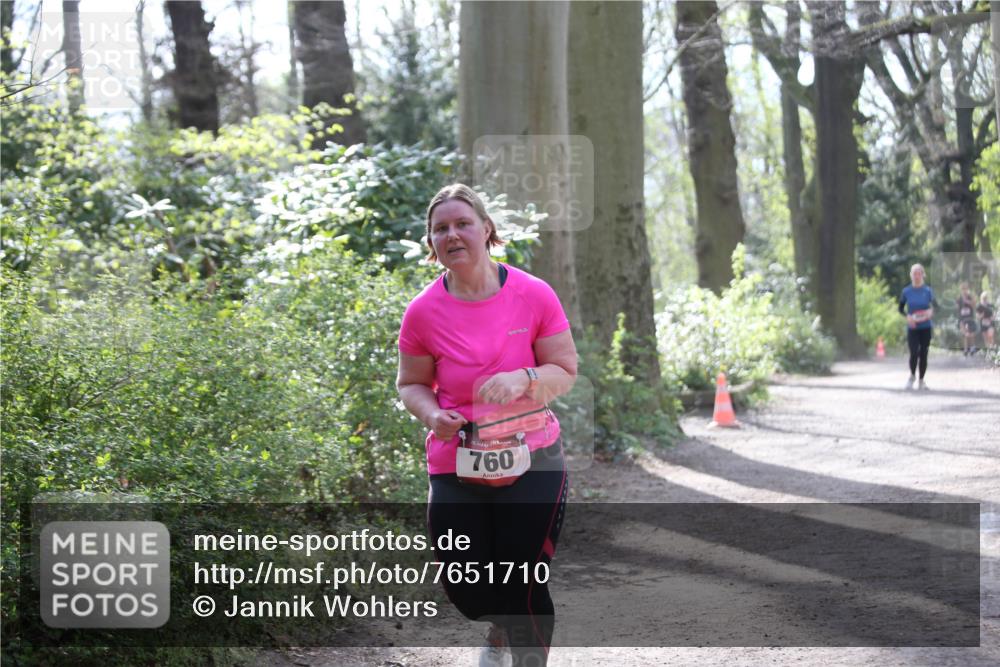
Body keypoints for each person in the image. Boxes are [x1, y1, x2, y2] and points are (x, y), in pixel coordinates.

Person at [396, 184, 577, 667]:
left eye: (462, 224)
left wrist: (526, 376)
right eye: (440, 228)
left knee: (523, 581)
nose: (452, 234)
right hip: (457, 463)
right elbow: (411, 384)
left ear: (487, 229)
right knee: (467, 588)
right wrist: (433, 415)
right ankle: (496, 626)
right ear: (431, 242)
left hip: (533, 456)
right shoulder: (422, 312)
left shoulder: (533, 294)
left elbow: (565, 370)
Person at [898, 263, 937, 390]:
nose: (916, 276)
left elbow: (936, 307)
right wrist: (907, 316)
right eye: (914, 273)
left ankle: (921, 380)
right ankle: (912, 376)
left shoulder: (928, 291)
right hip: (913, 327)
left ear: (922, 275)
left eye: (919, 273)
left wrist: (930, 312)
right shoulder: (906, 291)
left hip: (925, 327)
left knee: (923, 353)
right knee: (914, 352)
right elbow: (900, 309)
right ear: (911, 275)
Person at [956, 282, 978, 356]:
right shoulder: (959, 298)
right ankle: (965, 349)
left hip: (970, 318)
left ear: (968, 289)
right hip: (962, 319)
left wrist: (968, 302)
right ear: (961, 290)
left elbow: (975, 306)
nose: (964, 290)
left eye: (966, 289)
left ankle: (972, 348)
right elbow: (958, 309)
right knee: (965, 334)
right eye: (963, 289)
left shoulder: (970, 297)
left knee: (971, 333)